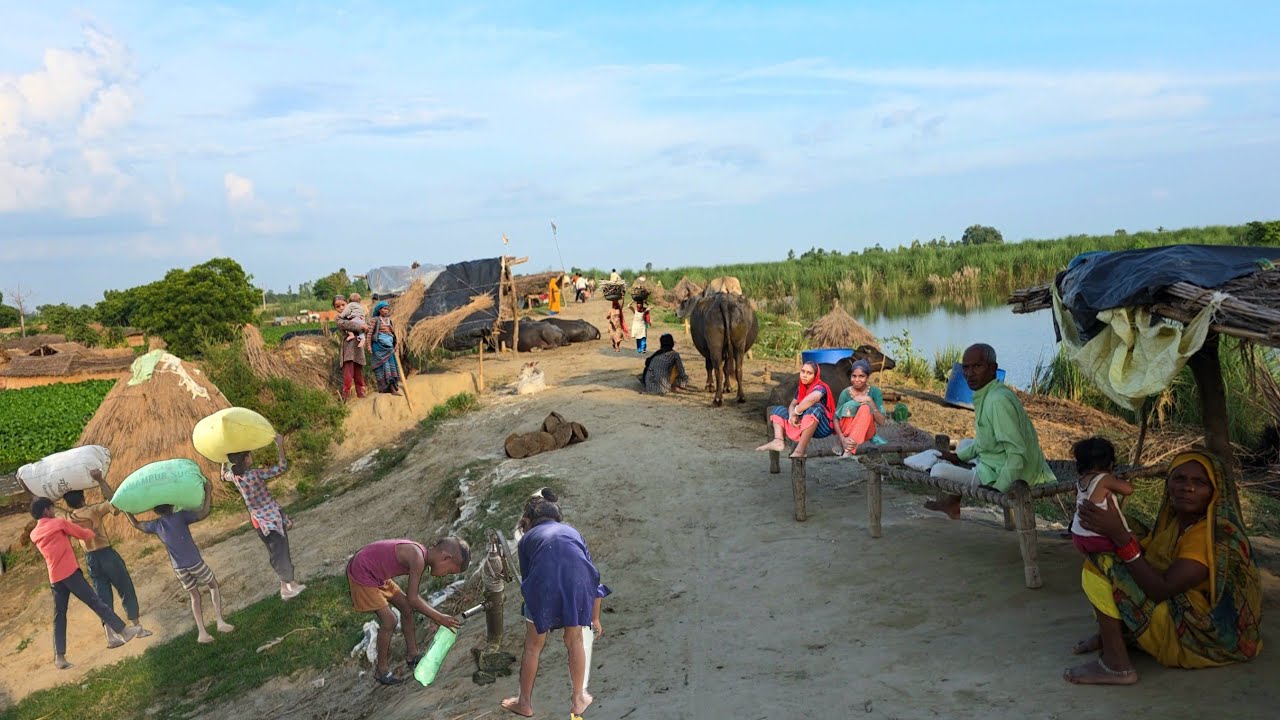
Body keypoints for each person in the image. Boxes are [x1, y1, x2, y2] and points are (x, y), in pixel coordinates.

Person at [1064, 450, 1263, 685]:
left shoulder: (1210, 538)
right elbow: (1147, 557)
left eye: (1199, 482)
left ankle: (1117, 664)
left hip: (1205, 637)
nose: (1186, 488)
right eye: (1179, 479)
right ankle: (1115, 635)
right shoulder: (1177, 523)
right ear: (1168, 484)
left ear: (1215, 491)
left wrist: (1118, 535)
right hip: (1178, 604)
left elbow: (1161, 589)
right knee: (1126, 537)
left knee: (1101, 566)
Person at [502, 489, 609, 718]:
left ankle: (525, 703)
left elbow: (528, 581)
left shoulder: (527, 540)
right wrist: (595, 616)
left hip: (544, 587)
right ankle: (579, 699)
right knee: (575, 640)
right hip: (578, 585)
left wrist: (539, 611)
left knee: (533, 647)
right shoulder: (573, 531)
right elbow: (592, 575)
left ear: (527, 522)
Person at [924, 343, 1055, 518]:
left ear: (993, 369)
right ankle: (954, 499)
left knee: (938, 471)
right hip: (998, 461)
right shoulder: (988, 393)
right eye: (966, 368)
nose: (970, 374)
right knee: (965, 445)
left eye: (977, 366)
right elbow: (985, 440)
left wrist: (997, 489)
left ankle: (957, 496)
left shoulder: (997, 401)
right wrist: (956, 457)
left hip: (1019, 474)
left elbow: (1017, 453)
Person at [30, 498, 146, 669]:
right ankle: (123, 631)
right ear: (46, 511)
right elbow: (83, 534)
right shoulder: (58, 523)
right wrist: (93, 533)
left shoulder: (34, 534)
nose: (54, 510)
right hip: (70, 572)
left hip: (54, 577)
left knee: (59, 616)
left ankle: (59, 657)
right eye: (51, 508)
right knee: (96, 602)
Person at [347, 537, 470, 685]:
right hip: (363, 572)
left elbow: (411, 601)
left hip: (376, 574)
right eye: (449, 571)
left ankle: (413, 655)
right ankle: (382, 670)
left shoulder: (420, 555)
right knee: (390, 620)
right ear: (445, 558)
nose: (445, 574)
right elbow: (413, 597)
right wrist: (439, 617)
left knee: (406, 608)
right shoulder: (417, 558)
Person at [125, 478, 234, 644]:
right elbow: (203, 513)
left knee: (194, 596)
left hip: (179, 568)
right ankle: (220, 621)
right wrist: (208, 491)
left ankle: (202, 632)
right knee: (213, 585)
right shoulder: (180, 517)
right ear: (172, 504)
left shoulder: (156, 525)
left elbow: (136, 524)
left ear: (155, 510)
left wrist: (126, 510)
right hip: (194, 562)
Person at [58, 469, 152, 644]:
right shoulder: (93, 510)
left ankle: (110, 636)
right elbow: (115, 502)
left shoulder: (68, 517)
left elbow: (53, 509)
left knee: (102, 597)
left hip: (90, 559)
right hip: (106, 554)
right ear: (83, 497)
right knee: (125, 587)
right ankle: (137, 627)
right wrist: (101, 480)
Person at [223, 434, 306, 601]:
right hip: (271, 518)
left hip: (258, 522)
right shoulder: (255, 474)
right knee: (281, 551)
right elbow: (281, 467)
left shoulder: (236, 478)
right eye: (250, 455)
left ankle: (288, 585)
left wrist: (222, 458)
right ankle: (287, 587)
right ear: (246, 459)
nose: (251, 457)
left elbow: (223, 475)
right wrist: (280, 445)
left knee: (275, 552)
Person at [757, 361, 835, 458]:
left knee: (815, 408)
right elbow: (792, 405)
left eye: (809, 373)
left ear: (815, 376)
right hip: (805, 423)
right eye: (803, 372)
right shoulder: (801, 388)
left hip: (822, 426)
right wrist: (791, 417)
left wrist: (796, 413)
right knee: (778, 410)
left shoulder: (820, 387)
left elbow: (812, 399)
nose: (804, 375)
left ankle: (800, 450)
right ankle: (778, 441)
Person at [1069, 437, 1134, 555]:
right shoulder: (1105, 479)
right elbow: (1128, 490)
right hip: (1098, 538)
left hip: (1078, 534)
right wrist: (1116, 479)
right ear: (1110, 464)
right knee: (1133, 540)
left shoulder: (1080, 482)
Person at [831, 359, 887, 457]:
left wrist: (870, 400)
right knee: (849, 407)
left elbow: (881, 422)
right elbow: (836, 418)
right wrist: (842, 438)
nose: (857, 380)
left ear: (868, 377)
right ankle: (845, 443)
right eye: (854, 376)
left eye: (861, 376)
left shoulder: (875, 392)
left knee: (865, 407)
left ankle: (847, 451)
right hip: (845, 431)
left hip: (867, 430)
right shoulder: (845, 393)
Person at [334, 295, 368, 401]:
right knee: (348, 369)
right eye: (337, 306)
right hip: (348, 346)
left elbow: (365, 325)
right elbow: (346, 325)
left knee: (358, 369)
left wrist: (364, 327)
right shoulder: (339, 319)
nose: (341, 308)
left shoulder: (355, 314)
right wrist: (360, 327)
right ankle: (346, 391)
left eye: (343, 305)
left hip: (357, 346)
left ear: (348, 304)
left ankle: (361, 391)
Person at [368, 301, 402, 395]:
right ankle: (389, 388)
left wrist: (396, 344)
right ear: (379, 310)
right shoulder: (375, 320)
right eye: (384, 308)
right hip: (378, 347)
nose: (386, 310)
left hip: (389, 348)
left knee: (392, 368)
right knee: (383, 368)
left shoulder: (389, 320)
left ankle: (393, 387)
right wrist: (368, 346)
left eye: (387, 309)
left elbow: (393, 334)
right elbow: (370, 334)